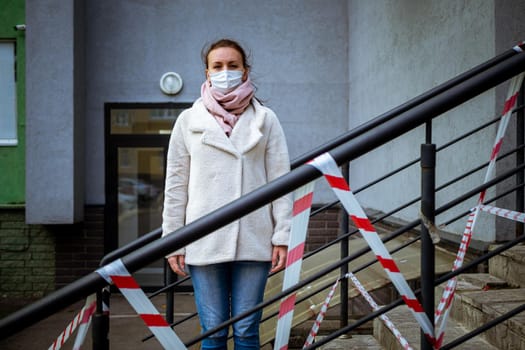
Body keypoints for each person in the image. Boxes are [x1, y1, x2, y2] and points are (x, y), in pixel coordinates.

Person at [162, 38, 292, 350]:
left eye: (232, 66)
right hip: (202, 239)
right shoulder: (188, 122)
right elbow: (175, 185)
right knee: (214, 330)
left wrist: (282, 236)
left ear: (245, 71)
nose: (225, 72)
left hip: (255, 238)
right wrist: (173, 240)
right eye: (218, 66)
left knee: (247, 330)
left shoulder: (266, 119)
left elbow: (281, 181)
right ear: (206, 73)